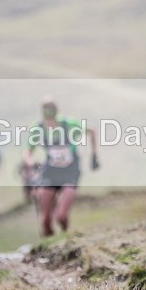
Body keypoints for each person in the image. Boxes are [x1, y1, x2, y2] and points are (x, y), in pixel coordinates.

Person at [23, 97, 99, 237]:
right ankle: (48, 245)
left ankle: (65, 237)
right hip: (50, 173)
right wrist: (30, 163)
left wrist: (94, 156)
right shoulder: (38, 128)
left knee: (61, 216)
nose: (50, 123)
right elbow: (28, 152)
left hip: (70, 172)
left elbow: (92, 130)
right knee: (45, 221)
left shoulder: (68, 124)